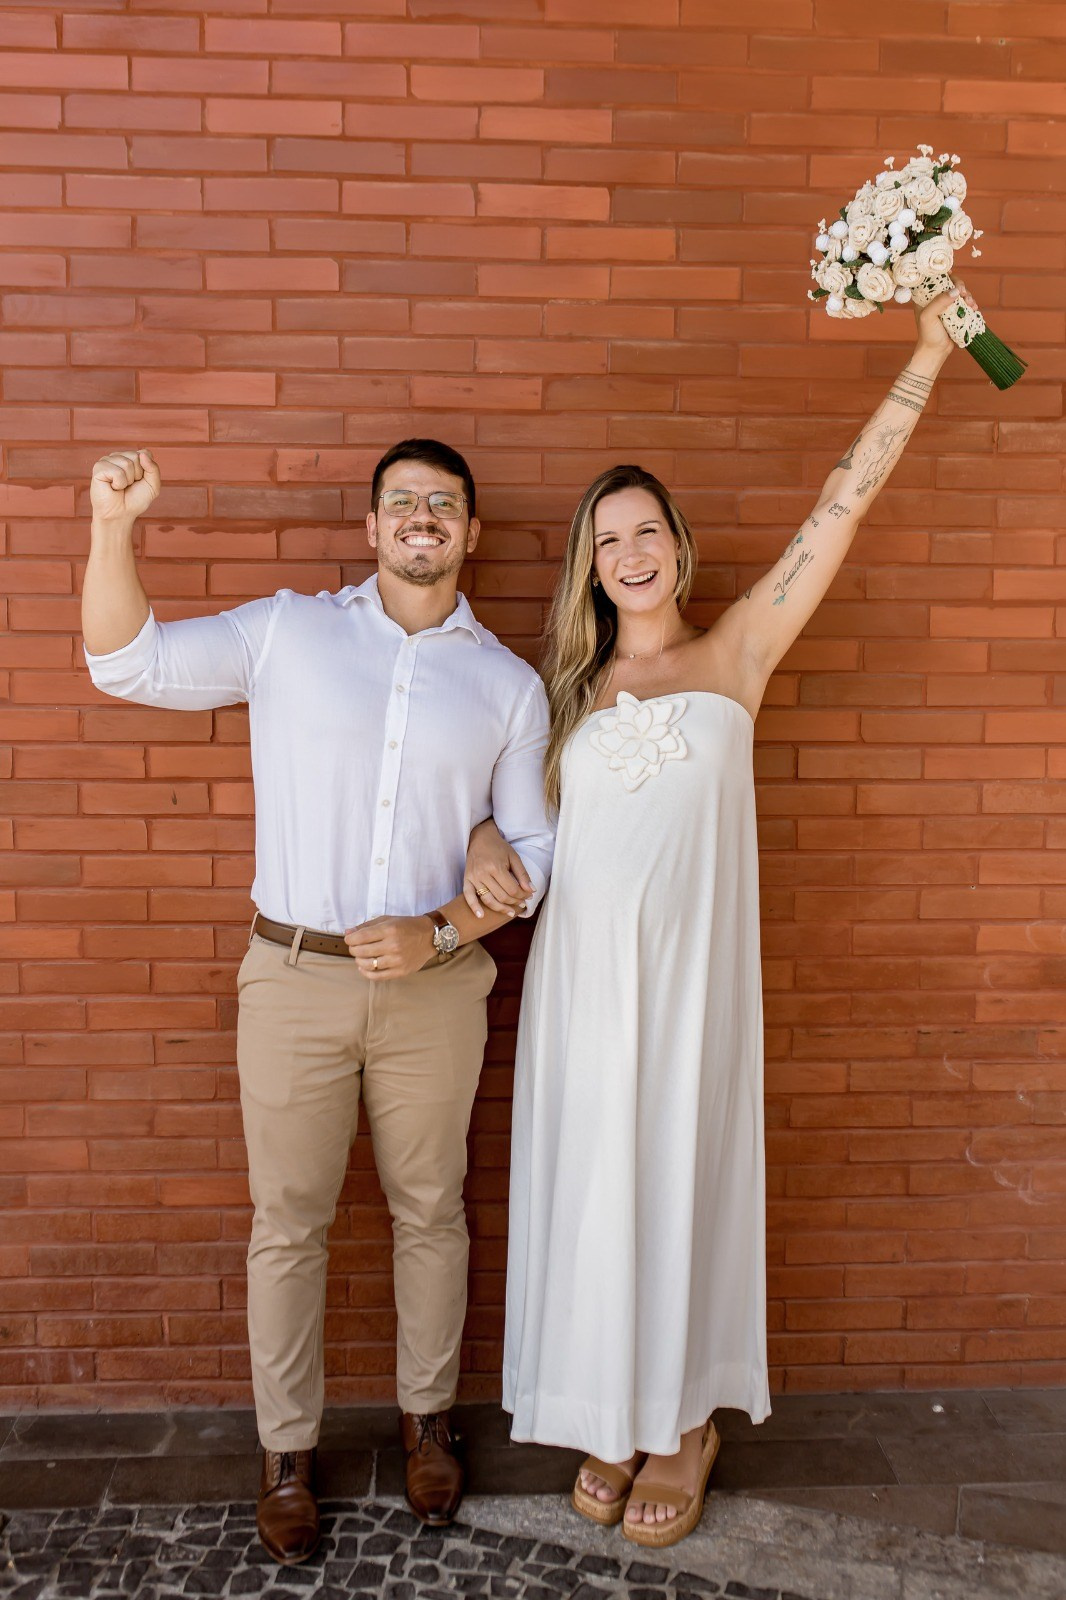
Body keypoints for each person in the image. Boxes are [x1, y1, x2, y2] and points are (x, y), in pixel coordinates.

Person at [465, 286, 975, 1548]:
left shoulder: (739, 650)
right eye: (606, 537)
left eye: (647, 531)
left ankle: (685, 1419)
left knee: (680, 1184)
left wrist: (922, 356)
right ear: (587, 561)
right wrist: (479, 834)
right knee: (596, 1193)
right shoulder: (560, 695)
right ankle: (609, 1402)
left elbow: (839, 505)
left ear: (678, 549)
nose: (629, 552)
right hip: (585, 993)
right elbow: (491, 817)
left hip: (691, 989)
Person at [81, 438, 555, 1564]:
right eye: (402, 503)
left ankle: (426, 1419)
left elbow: (537, 850)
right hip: (289, 977)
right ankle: (286, 1452)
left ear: (470, 533)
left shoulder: (506, 683)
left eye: (444, 504)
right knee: (286, 1223)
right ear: (373, 526)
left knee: (430, 1210)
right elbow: (124, 661)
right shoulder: (289, 630)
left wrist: (443, 921)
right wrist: (114, 525)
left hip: (435, 991)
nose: (422, 518)